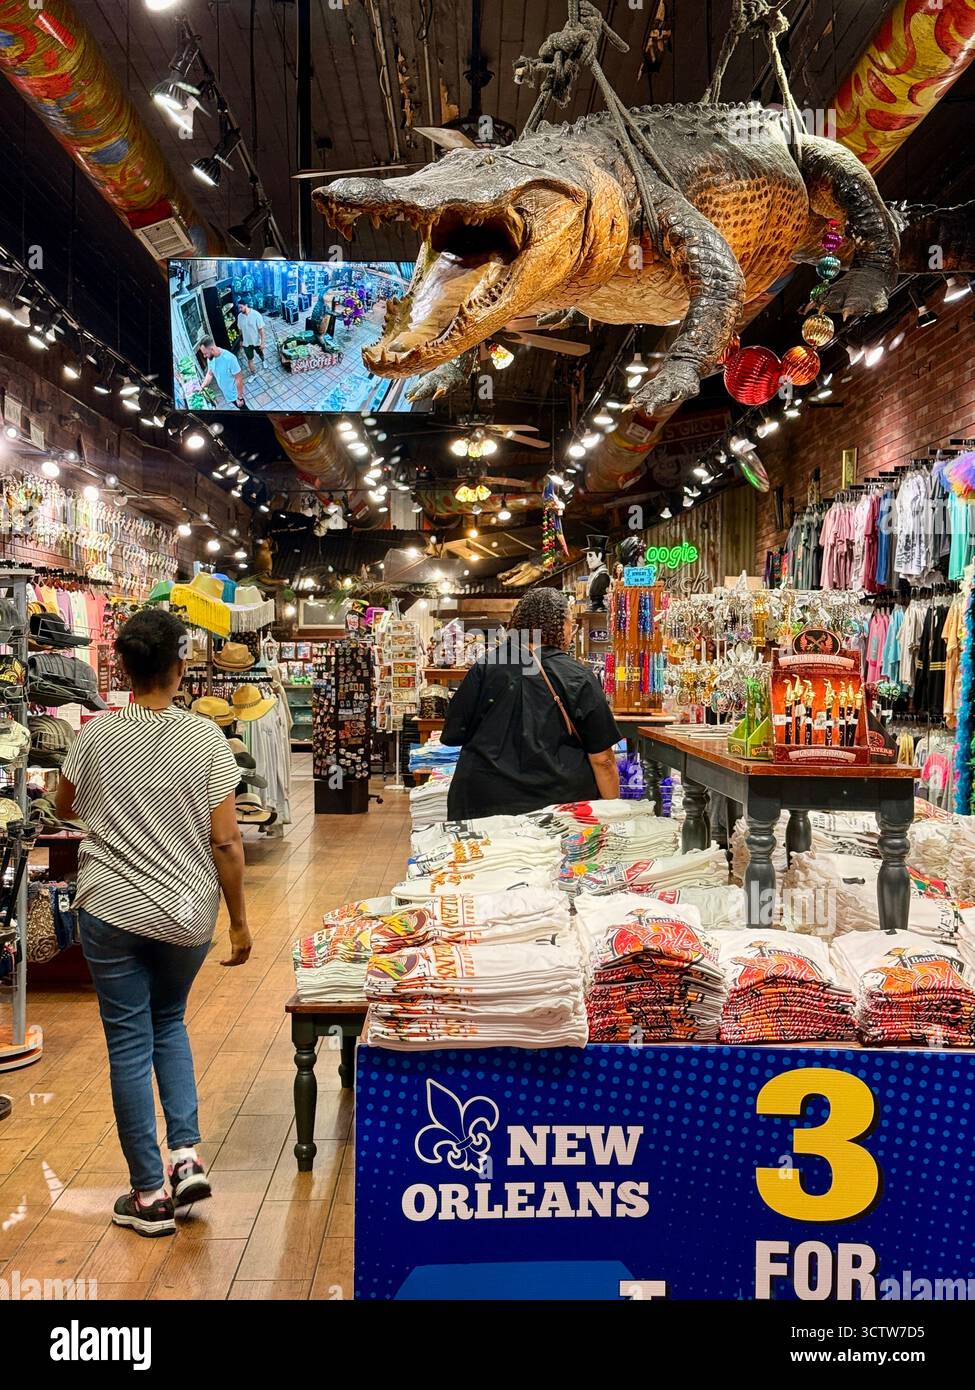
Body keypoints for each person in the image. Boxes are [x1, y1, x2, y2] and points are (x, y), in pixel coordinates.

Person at [54, 608, 252, 1238]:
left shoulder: (91, 737)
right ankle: (187, 1157)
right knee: (169, 1023)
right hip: (187, 913)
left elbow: (63, 806)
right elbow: (226, 842)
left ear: (123, 668)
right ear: (180, 666)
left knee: (129, 1043)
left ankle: (146, 1193)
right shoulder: (207, 739)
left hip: (110, 906)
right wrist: (240, 923)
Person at [441, 588, 621, 819]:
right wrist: (614, 813)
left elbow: (452, 734)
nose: (570, 631)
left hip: (484, 802)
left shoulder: (486, 667)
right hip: (558, 810)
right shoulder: (578, 676)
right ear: (559, 625)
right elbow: (603, 759)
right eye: (570, 623)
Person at [199, 336, 246, 409]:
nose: (204, 356)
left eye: (205, 353)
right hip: (227, 394)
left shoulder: (230, 358)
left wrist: (240, 398)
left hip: (235, 395)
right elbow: (210, 373)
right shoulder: (210, 358)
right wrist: (201, 387)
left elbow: (239, 378)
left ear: (212, 349)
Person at [236, 302, 266, 374]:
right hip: (246, 343)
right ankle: (253, 373)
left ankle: (263, 360)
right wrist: (241, 340)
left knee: (260, 353)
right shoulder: (240, 316)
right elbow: (240, 330)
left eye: (241, 307)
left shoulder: (256, 315)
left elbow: (261, 330)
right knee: (249, 359)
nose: (240, 309)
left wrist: (262, 343)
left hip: (256, 341)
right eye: (239, 308)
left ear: (246, 305)